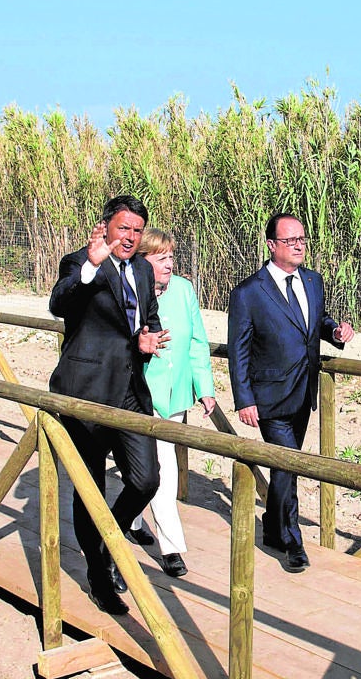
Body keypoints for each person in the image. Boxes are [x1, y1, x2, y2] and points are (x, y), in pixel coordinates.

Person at [48, 195, 170, 615]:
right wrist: (91, 265)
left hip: (131, 391)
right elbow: (59, 303)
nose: (131, 238)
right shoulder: (79, 262)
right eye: (124, 229)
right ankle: (99, 577)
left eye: (137, 231)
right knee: (90, 489)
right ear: (105, 227)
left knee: (145, 479)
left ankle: (108, 540)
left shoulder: (140, 267)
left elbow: (147, 316)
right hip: (86, 390)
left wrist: (148, 337)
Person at [228, 213, 354, 573]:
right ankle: (291, 539)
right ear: (271, 245)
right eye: (290, 240)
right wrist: (244, 398)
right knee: (289, 466)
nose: (298, 245)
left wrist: (335, 332)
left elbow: (317, 320)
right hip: (269, 396)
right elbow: (238, 349)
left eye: (302, 239)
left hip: (304, 393)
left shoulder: (313, 281)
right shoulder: (248, 292)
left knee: (287, 466)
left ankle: (271, 524)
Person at [125, 229, 216, 579]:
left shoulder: (184, 289)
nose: (169, 264)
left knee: (161, 466)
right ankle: (154, 535)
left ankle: (153, 533)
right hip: (136, 392)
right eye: (161, 258)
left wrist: (204, 388)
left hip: (174, 394)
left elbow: (196, 341)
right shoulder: (128, 289)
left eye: (171, 257)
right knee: (149, 467)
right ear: (142, 261)